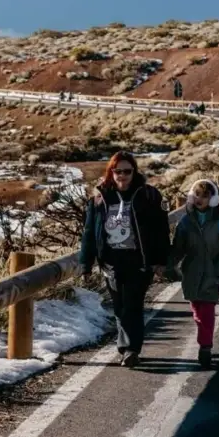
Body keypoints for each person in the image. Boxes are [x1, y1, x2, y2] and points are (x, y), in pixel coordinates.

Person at [80, 151, 170, 367]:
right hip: (111, 262)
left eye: (127, 171)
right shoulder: (100, 198)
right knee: (119, 306)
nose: (122, 175)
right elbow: (89, 232)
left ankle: (131, 349)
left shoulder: (148, 195)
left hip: (139, 260)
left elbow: (161, 230)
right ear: (111, 172)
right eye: (118, 171)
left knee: (132, 304)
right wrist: (86, 263)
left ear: (134, 172)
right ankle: (126, 348)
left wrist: (161, 260)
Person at [167, 179, 219, 369]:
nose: (200, 199)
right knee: (197, 312)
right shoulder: (186, 221)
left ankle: (205, 348)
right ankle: (204, 342)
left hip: (213, 275)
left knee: (207, 312)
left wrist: (218, 270)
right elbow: (178, 248)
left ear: (213, 199)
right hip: (191, 273)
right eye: (197, 194)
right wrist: (167, 266)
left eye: (205, 196)